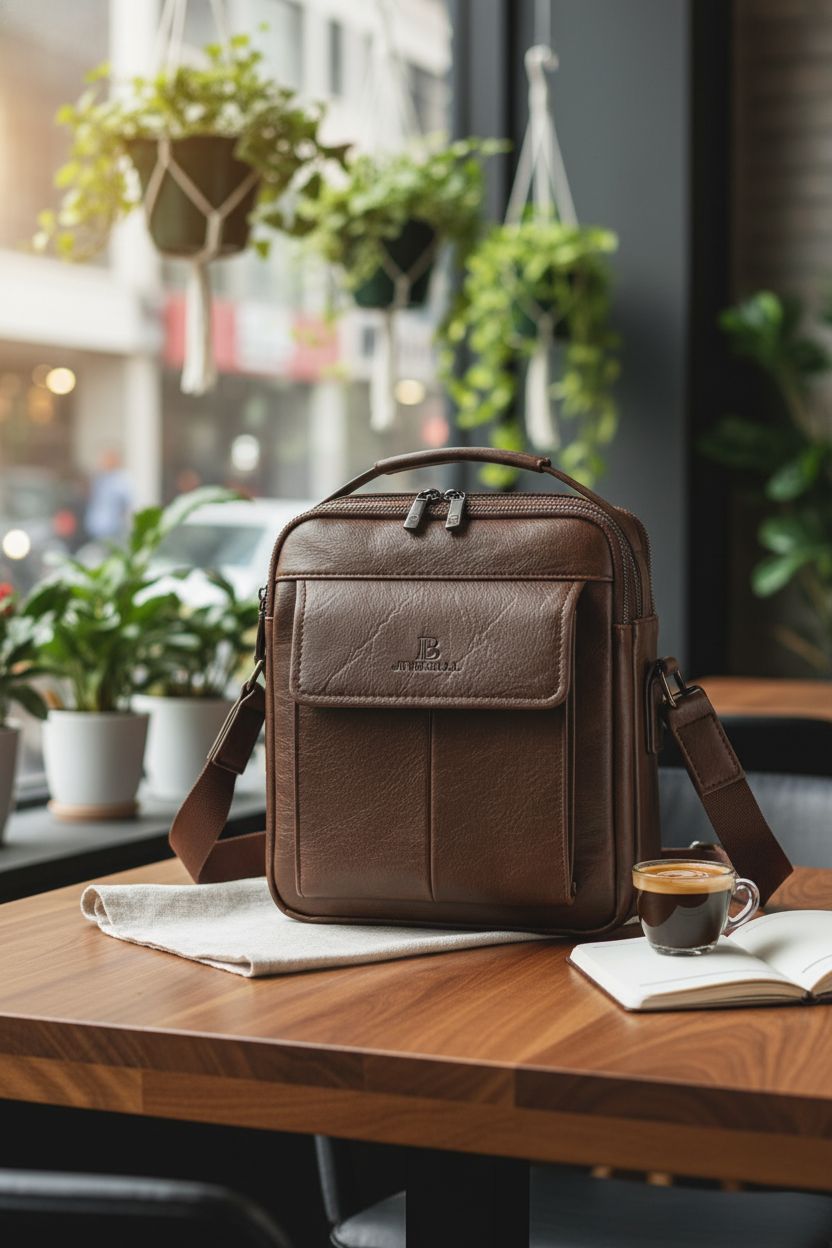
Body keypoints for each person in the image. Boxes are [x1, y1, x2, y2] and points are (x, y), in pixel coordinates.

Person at [84, 448, 133, 542]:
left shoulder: (122, 480)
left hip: (112, 528)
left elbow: (126, 503)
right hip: (97, 528)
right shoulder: (101, 478)